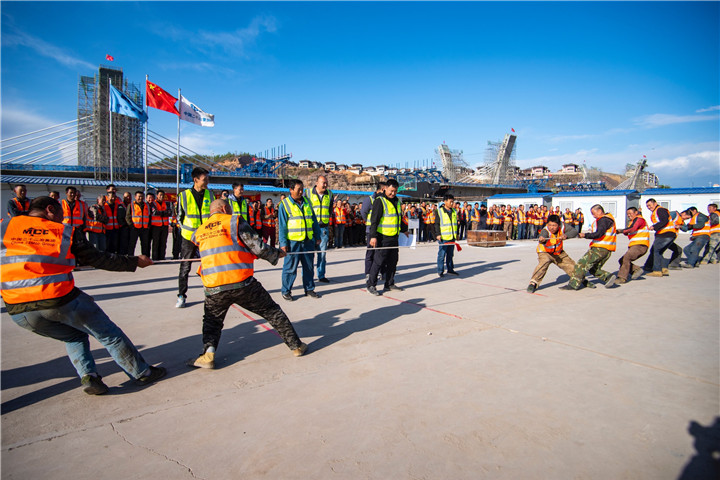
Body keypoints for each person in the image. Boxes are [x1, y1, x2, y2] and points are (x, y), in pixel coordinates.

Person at [0, 196, 166, 395]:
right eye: (60, 214)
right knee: (109, 334)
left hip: (17, 309)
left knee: (74, 336)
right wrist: (134, 261)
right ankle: (142, 372)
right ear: (50, 210)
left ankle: (89, 377)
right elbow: (99, 259)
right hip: (58, 299)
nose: (63, 218)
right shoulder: (64, 232)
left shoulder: (5, 227)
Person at [186, 199, 308, 369]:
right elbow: (256, 246)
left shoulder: (199, 231)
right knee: (272, 311)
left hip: (214, 286)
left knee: (212, 322)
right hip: (241, 282)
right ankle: (296, 346)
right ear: (224, 208)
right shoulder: (234, 221)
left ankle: (208, 354)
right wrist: (276, 254)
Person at [278, 179, 321, 301]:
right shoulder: (284, 205)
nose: (301, 192)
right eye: (298, 190)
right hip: (293, 243)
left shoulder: (307, 202)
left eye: (302, 189)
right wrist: (283, 243)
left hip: (308, 241)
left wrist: (317, 236)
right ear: (291, 190)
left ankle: (309, 289)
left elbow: (313, 221)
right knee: (290, 268)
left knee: (308, 267)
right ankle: (286, 291)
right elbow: (282, 226)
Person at [176, 167, 212, 308]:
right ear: (195, 180)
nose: (207, 181)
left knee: (209, 266)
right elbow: (179, 218)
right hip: (188, 238)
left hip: (206, 237)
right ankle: (181, 295)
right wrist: (188, 232)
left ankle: (210, 293)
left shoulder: (210, 194)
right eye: (205, 179)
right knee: (185, 267)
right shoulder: (183, 196)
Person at [560, 204, 618, 290]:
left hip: (600, 248)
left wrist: (585, 235)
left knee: (581, 264)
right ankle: (608, 277)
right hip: (608, 249)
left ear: (599, 211)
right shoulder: (609, 219)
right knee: (593, 269)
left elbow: (599, 234)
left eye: (594, 213)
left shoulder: (603, 220)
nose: (593, 216)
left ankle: (573, 284)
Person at [366, 178, 408, 295]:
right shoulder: (380, 201)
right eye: (391, 191)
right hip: (382, 237)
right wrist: (373, 236)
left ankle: (389, 283)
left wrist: (404, 230)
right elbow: (374, 220)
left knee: (393, 261)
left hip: (394, 237)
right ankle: (371, 284)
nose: (393, 193)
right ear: (385, 189)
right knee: (378, 262)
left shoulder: (397, 201)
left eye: (395, 191)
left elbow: (398, 218)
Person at [527, 214, 577, 293]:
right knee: (544, 262)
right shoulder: (545, 230)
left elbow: (574, 231)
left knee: (570, 265)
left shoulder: (564, 226)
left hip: (558, 252)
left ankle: (580, 279)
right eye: (549, 225)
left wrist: (566, 235)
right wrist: (542, 239)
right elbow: (542, 235)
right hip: (545, 252)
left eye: (554, 225)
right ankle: (533, 283)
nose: (551, 227)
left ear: (559, 224)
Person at [305, 175, 334, 281]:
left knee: (322, 254)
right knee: (309, 255)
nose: (325, 185)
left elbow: (330, 209)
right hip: (311, 229)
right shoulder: (307, 193)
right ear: (317, 183)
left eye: (326, 183)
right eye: (323, 182)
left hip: (323, 229)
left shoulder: (330, 194)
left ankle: (321, 275)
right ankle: (309, 277)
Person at [644, 198, 677, 277]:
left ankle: (657, 270)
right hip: (668, 234)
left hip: (665, 234)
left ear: (655, 203)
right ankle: (664, 269)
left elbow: (664, 221)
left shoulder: (660, 210)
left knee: (656, 251)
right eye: (647, 206)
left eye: (649, 205)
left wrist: (654, 226)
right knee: (659, 251)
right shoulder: (656, 211)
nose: (649, 207)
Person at [615, 207, 649, 284]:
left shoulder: (639, 219)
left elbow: (633, 228)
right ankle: (636, 269)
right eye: (627, 214)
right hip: (635, 245)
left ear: (636, 212)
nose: (629, 215)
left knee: (626, 258)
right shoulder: (633, 221)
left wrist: (621, 230)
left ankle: (622, 278)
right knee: (622, 260)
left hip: (640, 245)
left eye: (630, 213)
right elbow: (629, 229)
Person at [361, 182, 386, 277]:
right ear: (382, 189)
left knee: (380, 253)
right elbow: (364, 213)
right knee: (371, 253)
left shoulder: (384, 200)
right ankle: (368, 272)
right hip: (371, 230)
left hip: (382, 230)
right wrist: (370, 222)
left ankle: (381, 272)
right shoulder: (370, 199)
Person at [434, 194, 460, 277]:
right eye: (450, 202)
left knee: (450, 254)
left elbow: (455, 224)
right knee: (442, 255)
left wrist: (457, 234)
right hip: (443, 238)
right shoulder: (439, 211)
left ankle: (450, 269)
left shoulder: (454, 211)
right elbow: (437, 224)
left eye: (453, 202)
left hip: (452, 237)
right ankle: (440, 271)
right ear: (445, 201)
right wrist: (438, 234)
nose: (452, 203)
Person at [149, 190, 172, 261]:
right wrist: (164, 213)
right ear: (157, 196)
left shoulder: (167, 203)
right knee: (156, 242)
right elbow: (155, 212)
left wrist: (161, 213)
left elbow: (169, 212)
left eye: (163, 195)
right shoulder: (153, 203)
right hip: (156, 226)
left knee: (163, 242)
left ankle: (162, 257)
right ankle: (155, 258)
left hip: (164, 226)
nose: (161, 197)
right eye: (160, 195)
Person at [126, 191, 150, 256]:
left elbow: (149, 216)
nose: (140, 198)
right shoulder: (131, 205)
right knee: (132, 244)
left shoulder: (146, 205)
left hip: (144, 228)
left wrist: (148, 225)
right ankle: (131, 257)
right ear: (135, 197)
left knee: (145, 244)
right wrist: (131, 226)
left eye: (142, 196)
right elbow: (128, 217)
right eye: (139, 196)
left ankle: (145, 258)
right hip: (135, 228)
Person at [103, 185, 123, 254]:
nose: (112, 198)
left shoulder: (118, 205)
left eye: (114, 197)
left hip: (116, 228)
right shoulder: (104, 205)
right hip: (107, 229)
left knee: (115, 246)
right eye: (111, 197)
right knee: (107, 246)